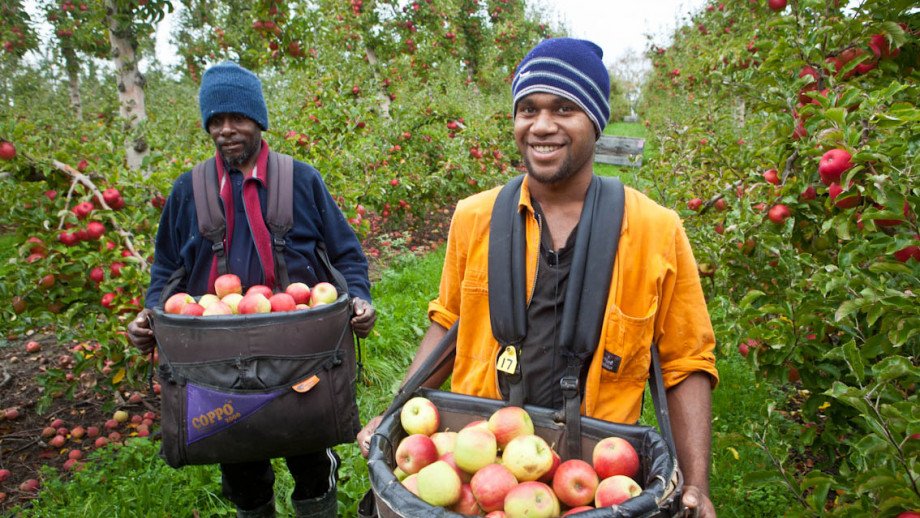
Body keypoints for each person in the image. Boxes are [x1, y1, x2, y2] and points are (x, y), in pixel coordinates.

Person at [357, 38, 718, 517]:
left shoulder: (655, 230)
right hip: (478, 462)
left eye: (564, 108)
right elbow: (449, 323)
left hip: (591, 475)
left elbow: (685, 361)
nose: (542, 125)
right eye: (527, 109)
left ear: (595, 119)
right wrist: (399, 406)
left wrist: (696, 484)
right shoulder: (475, 218)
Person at [127, 61, 376, 518]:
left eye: (237, 118)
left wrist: (359, 298)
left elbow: (346, 255)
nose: (226, 130)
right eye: (216, 121)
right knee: (240, 467)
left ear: (258, 120)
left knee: (310, 458)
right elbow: (166, 268)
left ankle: (317, 503)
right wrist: (150, 313)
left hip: (300, 349)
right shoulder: (188, 190)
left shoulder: (301, 180)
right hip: (220, 357)